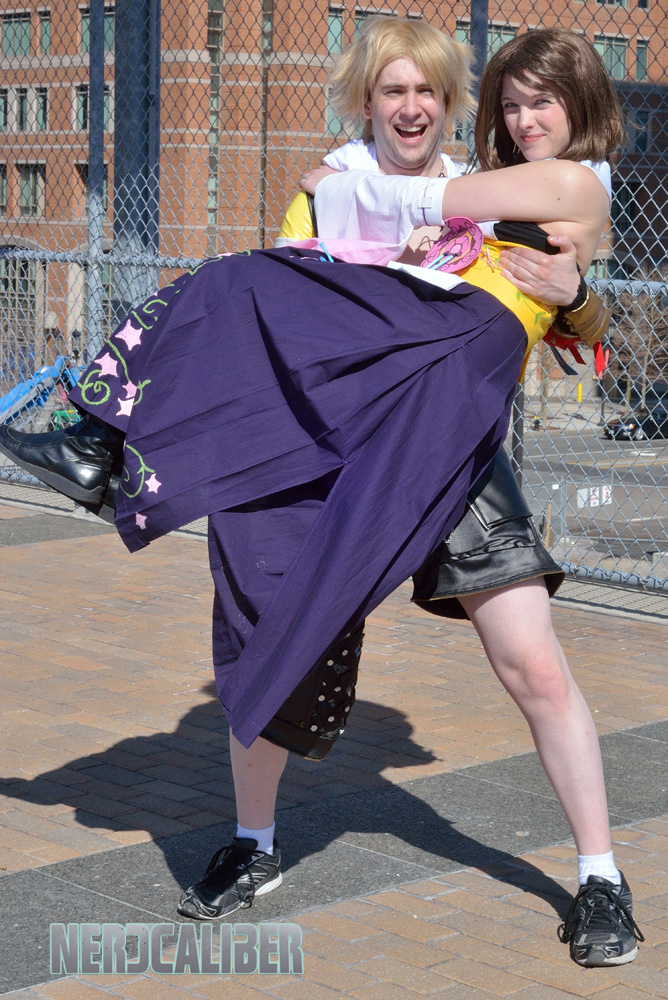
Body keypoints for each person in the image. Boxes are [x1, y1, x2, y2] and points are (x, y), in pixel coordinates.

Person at [0, 20, 642, 969]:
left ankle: (601, 877)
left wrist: (575, 296)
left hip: (446, 432)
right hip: (338, 426)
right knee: (265, 617)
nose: (414, 109)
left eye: (430, 93)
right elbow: (293, 307)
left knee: (532, 663)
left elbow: (570, 311)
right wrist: (373, 224)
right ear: (366, 101)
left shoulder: (501, 183)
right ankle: (252, 843)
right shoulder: (351, 182)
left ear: (448, 105)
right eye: (393, 93)